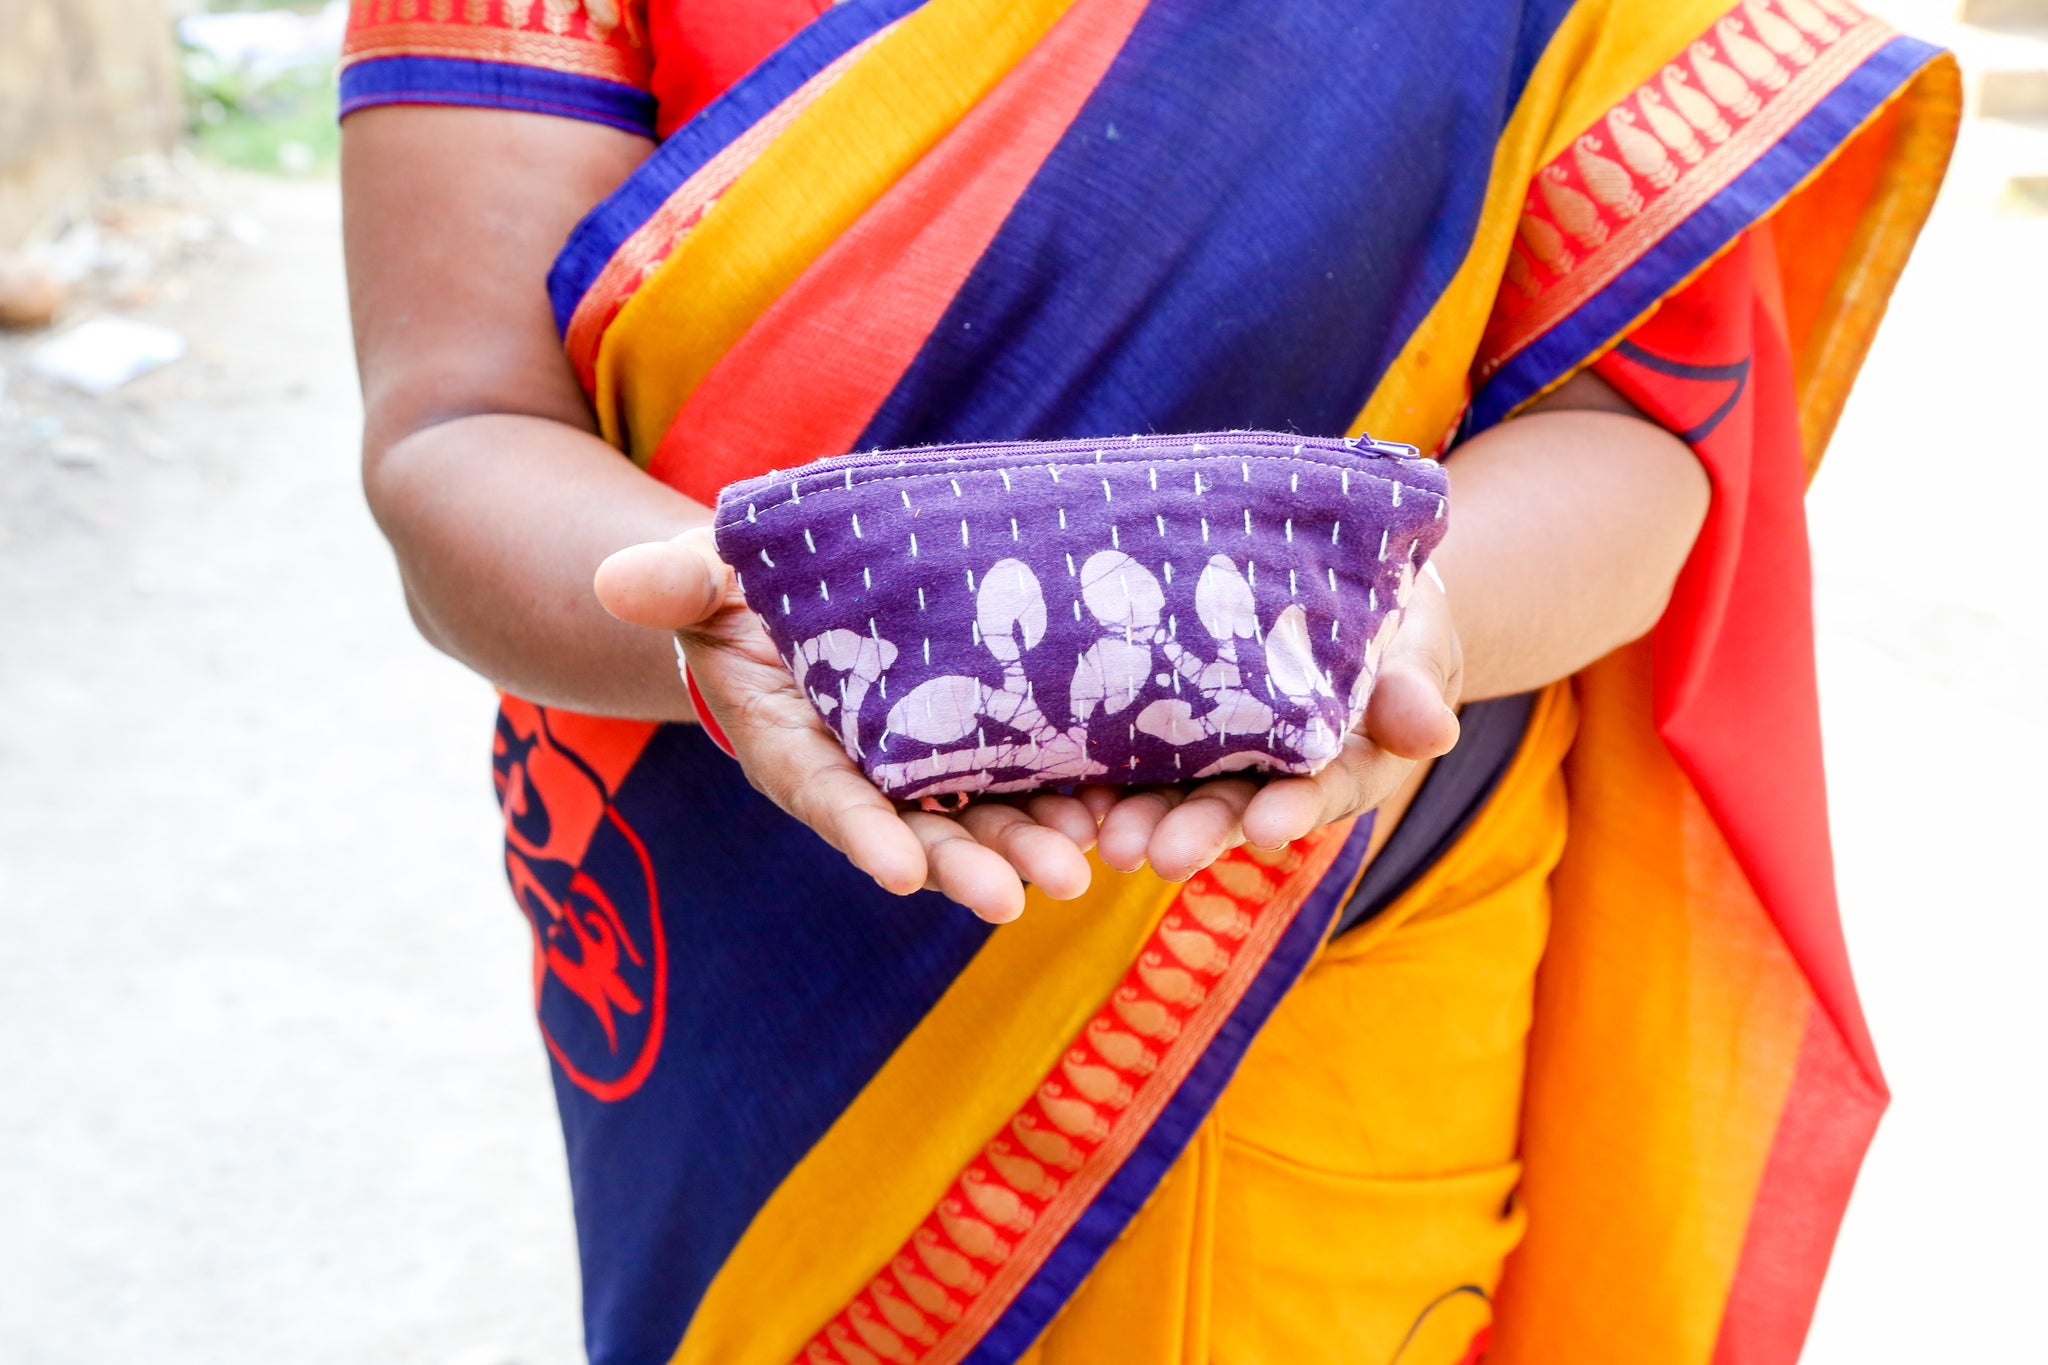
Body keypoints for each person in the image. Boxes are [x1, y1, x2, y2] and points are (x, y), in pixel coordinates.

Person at [338, 1, 1957, 1360]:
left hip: (1331, 925)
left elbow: (1634, 436)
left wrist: (1423, 617)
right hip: (760, 929)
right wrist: (719, 628)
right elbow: (462, 426)